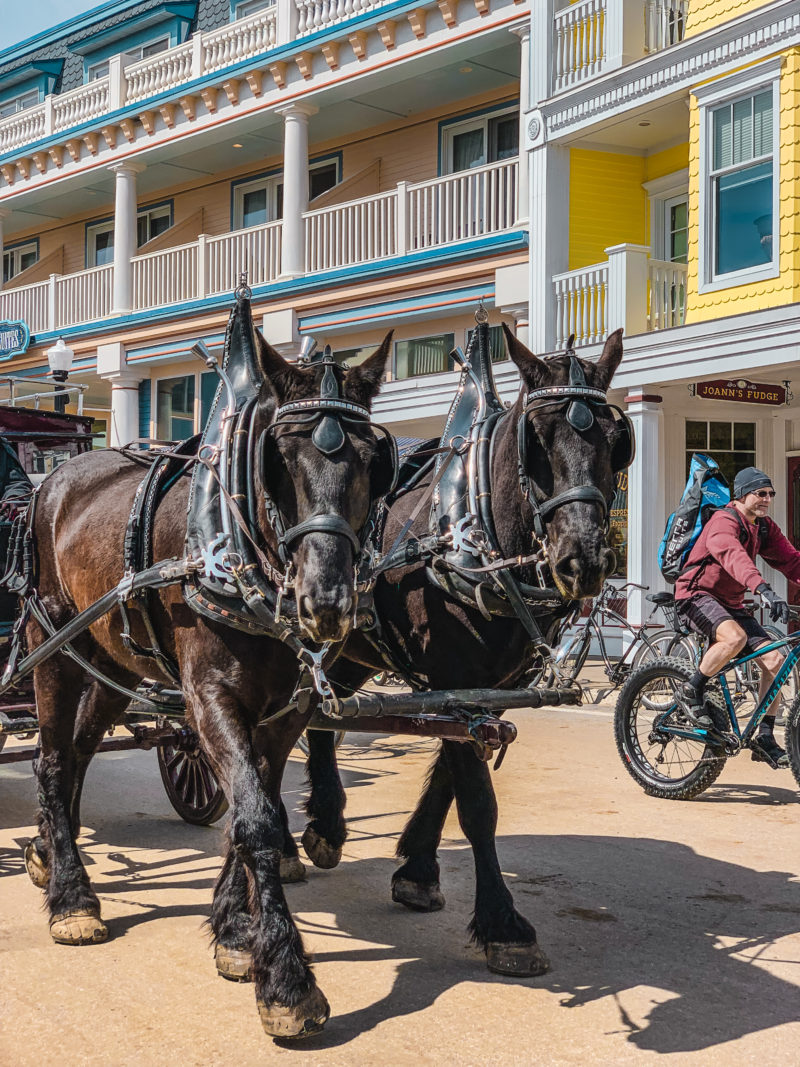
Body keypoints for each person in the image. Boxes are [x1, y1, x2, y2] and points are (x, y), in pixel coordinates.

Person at [674, 466, 800, 769]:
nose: (767, 499)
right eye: (761, 493)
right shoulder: (723, 521)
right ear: (742, 494)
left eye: (770, 494)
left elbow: (792, 560)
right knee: (735, 637)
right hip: (696, 596)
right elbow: (732, 556)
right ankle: (691, 689)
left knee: (775, 662)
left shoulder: (763, 527)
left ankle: (765, 737)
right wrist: (763, 589)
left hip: (730, 603)